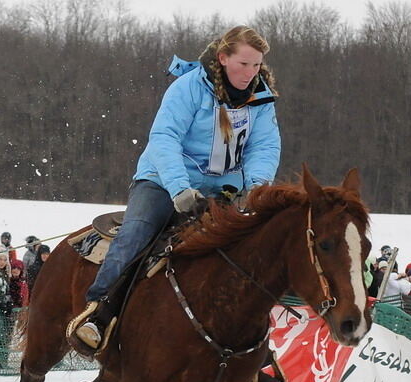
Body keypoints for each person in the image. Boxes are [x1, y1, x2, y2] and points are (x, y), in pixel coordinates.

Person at [72, 25, 279, 353]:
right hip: (162, 181)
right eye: (244, 64)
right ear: (223, 58)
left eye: (256, 65)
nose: (250, 72)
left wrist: (254, 188)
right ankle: (98, 313)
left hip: (223, 190)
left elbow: (263, 148)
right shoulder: (188, 88)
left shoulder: (261, 99)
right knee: (136, 234)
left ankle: (257, 350)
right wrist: (179, 188)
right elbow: (165, 138)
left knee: (249, 253)